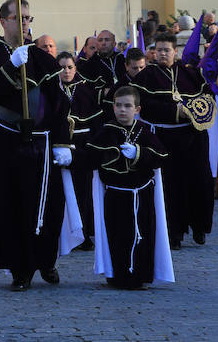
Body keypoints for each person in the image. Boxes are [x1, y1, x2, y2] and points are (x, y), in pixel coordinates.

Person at [0, 0, 78, 291]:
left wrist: (62, 141)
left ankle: (46, 259)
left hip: (41, 140)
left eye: (29, 18)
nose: (25, 23)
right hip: (6, 136)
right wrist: (10, 66)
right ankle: (21, 268)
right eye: (19, 18)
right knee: (11, 202)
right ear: (4, 21)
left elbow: (58, 102)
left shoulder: (41, 57)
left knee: (46, 204)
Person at [81, 86, 173, 289]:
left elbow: (162, 157)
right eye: (119, 105)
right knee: (118, 236)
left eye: (128, 106)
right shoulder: (106, 132)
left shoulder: (145, 131)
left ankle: (140, 276)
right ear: (113, 107)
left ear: (137, 109)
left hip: (142, 194)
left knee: (143, 236)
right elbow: (89, 157)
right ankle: (118, 276)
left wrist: (139, 153)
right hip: (116, 195)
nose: (123, 110)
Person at [131, 32, 214, 250]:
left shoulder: (191, 74)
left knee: (199, 181)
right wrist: (177, 111)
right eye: (158, 50)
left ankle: (199, 227)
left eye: (166, 50)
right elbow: (145, 105)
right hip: (164, 138)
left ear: (175, 52)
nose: (162, 54)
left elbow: (207, 98)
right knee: (171, 186)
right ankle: (174, 232)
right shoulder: (146, 76)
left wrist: (195, 112)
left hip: (193, 137)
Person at [57, 51, 102, 250]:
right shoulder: (52, 90)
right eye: (62, 67)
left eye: (70, 67)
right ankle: (64, 234)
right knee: (62, 192)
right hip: (60, 146)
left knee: (83, 192)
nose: (66, 71)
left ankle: (83, 234)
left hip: (82, 145)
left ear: (76, 69)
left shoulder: (85, 90)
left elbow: (96, 122)